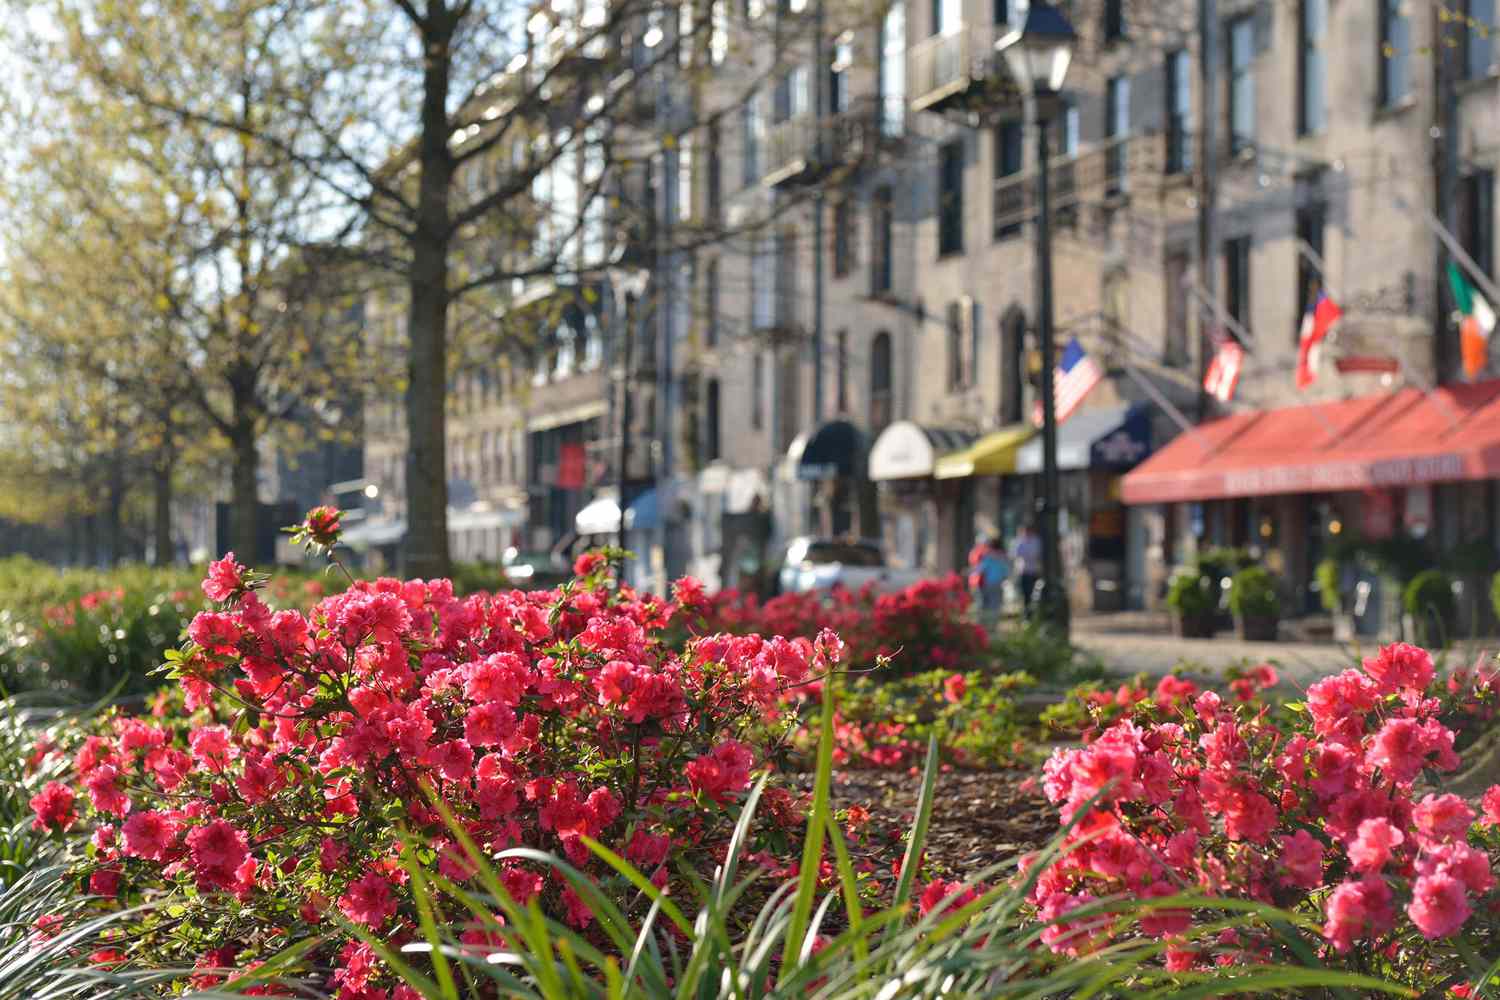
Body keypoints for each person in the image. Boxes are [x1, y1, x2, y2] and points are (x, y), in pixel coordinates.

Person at [969, 536, 1010, 626]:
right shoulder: (1003, 557)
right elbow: (1007, 572)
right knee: (995, 606)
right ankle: (993, 626)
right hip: (998, 584)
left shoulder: (988, 556)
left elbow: (980, 569)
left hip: (986, 584)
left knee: (984, 606)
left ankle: (983, 626)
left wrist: (970, 572)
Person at [1012, 522, 1042, 615]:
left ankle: (1034, 612)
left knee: (1034, 593)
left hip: (1034, 571)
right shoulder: (1019, 541)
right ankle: (1026, 613)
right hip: (1023, 571)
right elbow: (1015, 554)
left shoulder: (1036, 541)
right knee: (1025, 594)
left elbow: (1038, 554)